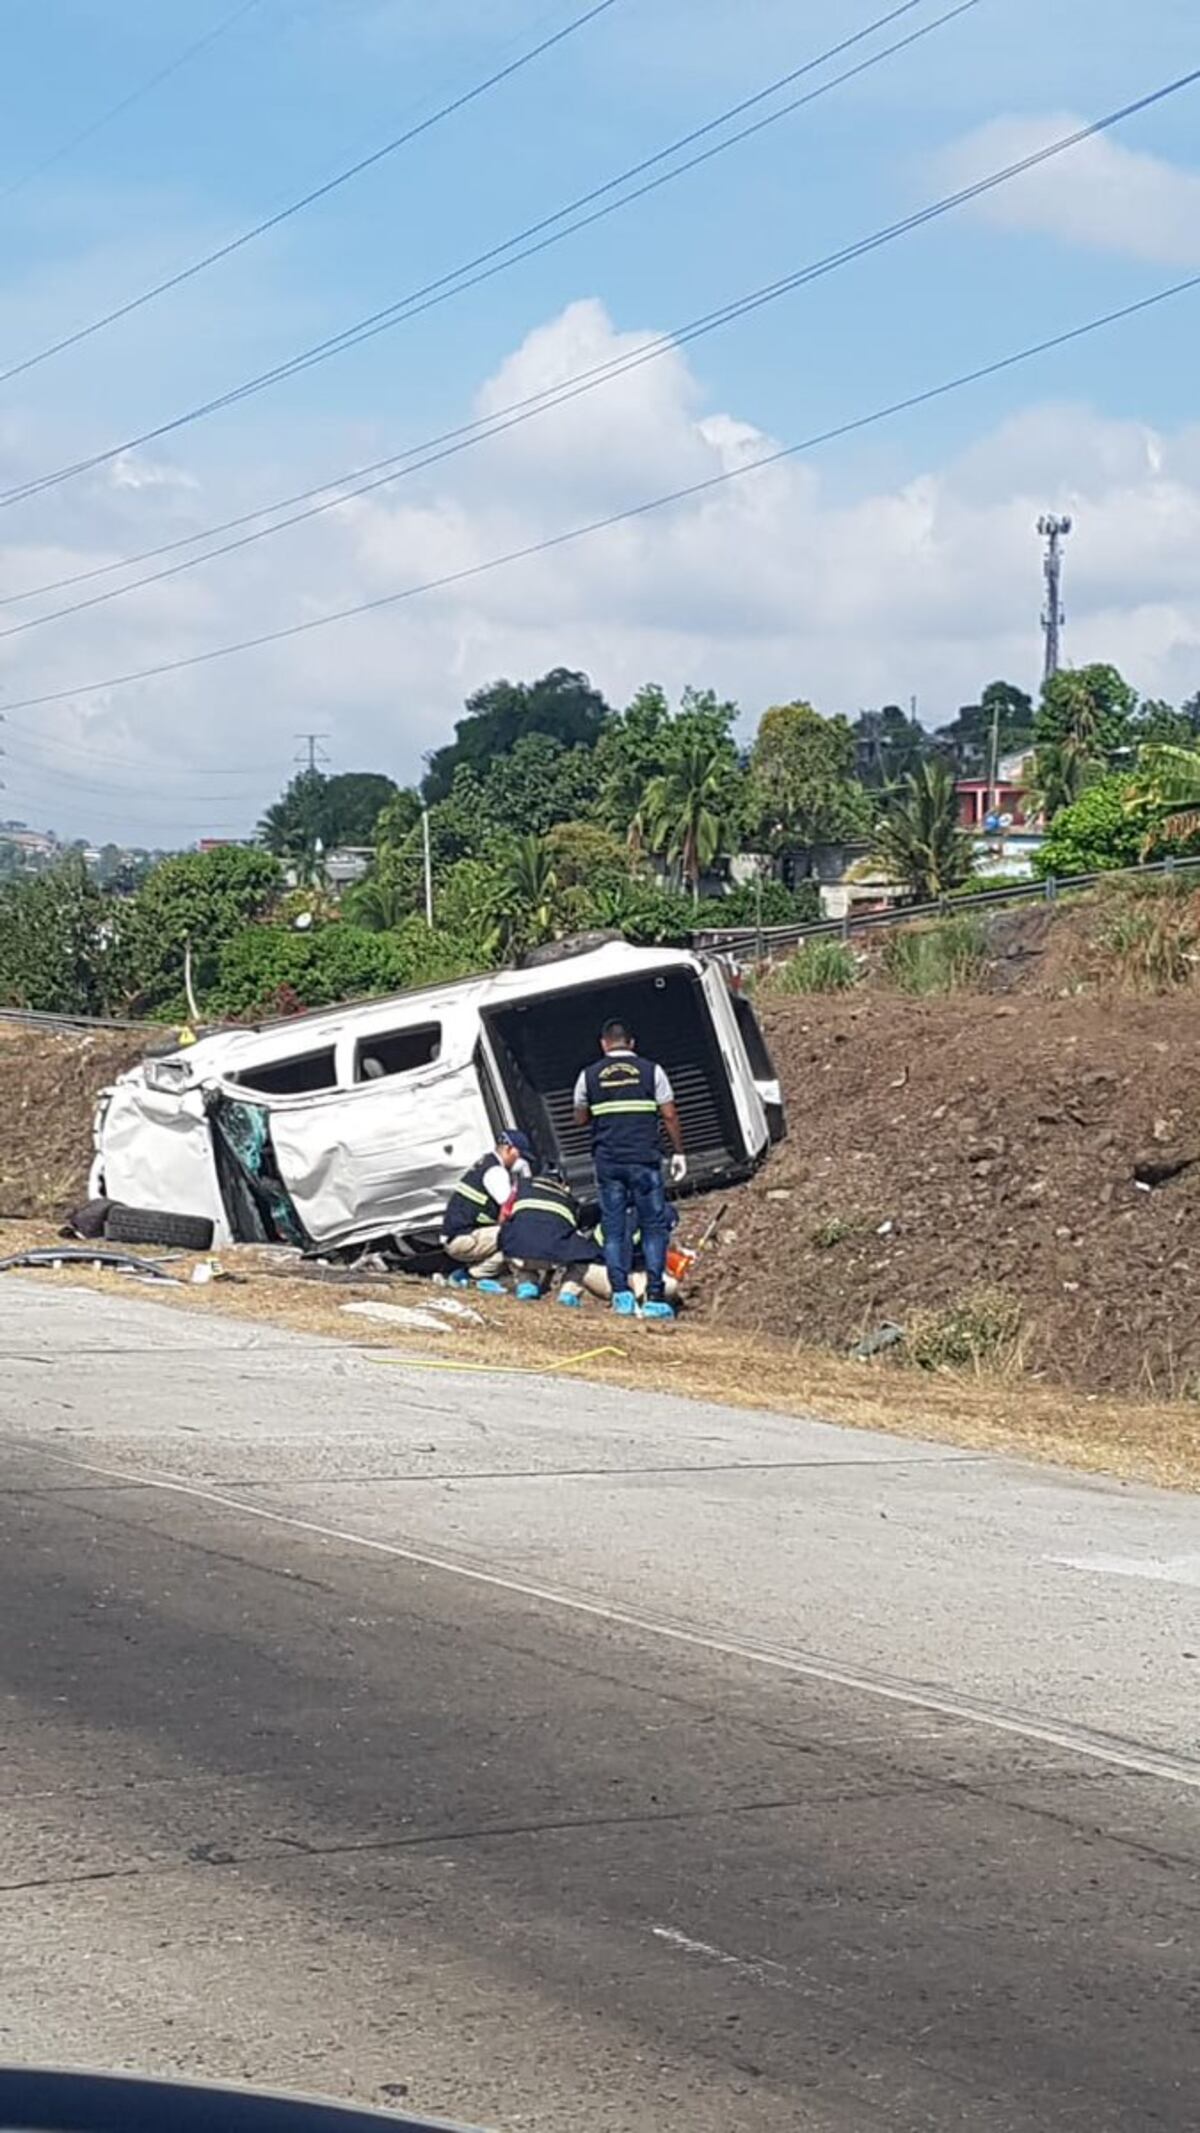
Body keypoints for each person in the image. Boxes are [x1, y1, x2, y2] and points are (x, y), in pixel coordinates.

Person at [573, 1018, 685, 1320]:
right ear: (631, 1043)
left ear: (604, 1044)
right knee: (653, 1227)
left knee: (613, 1229)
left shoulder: (588, 1076)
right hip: (644, 1161)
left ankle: (621, 1294)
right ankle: (655, 1296)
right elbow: (670, 1114)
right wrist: (678, 1153)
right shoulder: (653, 1071)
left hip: (609, 1163)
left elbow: (580, 1118)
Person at [440, 1129, 533, 1285]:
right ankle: (475, 1277)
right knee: (516, 1234)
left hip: (458, 1236)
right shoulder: (496, 1172)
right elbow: (509, 1210)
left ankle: (468, 1275)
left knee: (510, 1243)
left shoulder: (485, 1163)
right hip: (462, 1238)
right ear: (508, 1149)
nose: (521, 1162)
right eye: (520, 1155)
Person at [498, 1170, 601, 1300]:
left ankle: (527, 1285)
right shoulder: (569, 1199)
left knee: (521, 1241)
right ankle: (568, 1292)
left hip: (518, 1251)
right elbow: (572, 1229)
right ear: (562, 1185)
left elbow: (504, 1214)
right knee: (581, 1253)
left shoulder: (522, 1186)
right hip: (553, 1254)